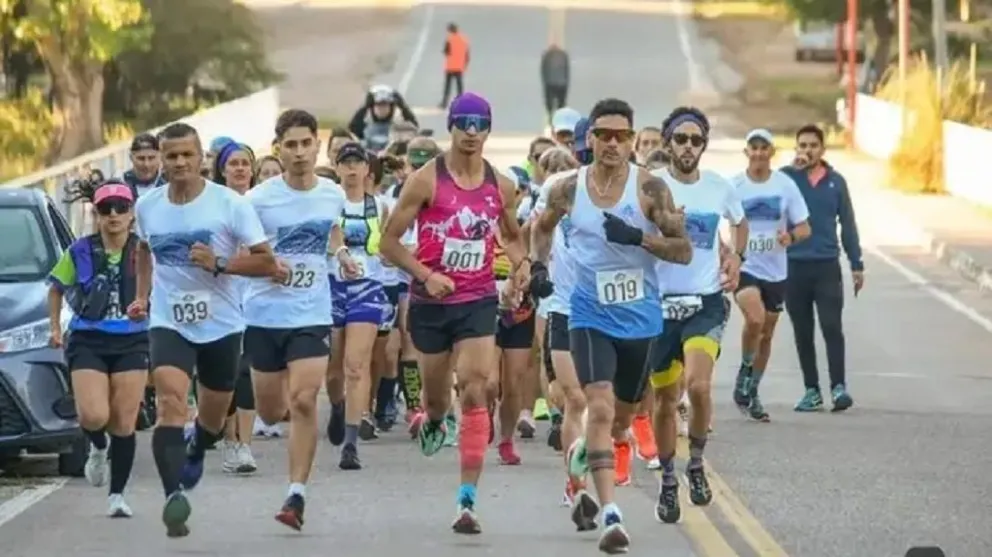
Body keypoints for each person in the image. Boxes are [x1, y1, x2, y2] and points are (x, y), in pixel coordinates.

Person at [530, 98, 692, 553]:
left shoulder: (651, 190)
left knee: (621, 421)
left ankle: (593, 452)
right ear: (590, 139)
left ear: (632, 139)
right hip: (587, 313)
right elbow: (540, 229)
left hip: (640, 318)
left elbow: (683, 250)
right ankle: (610, 515)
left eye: (622, 136)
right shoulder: (567, 188)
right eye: (604, 135)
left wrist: (639, 236)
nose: (613, 144)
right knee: (596, 409)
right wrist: (538, 267)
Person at [380, 92, 530, 534]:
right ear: (451, 126)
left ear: (488, 130)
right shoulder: (426, 181)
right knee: (438, 399)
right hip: (431, 304)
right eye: (462, 122)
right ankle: (434, 418)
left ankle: (467, 501)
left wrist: (521, 266)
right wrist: (425, 275)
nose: (470, 131)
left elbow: (513, 235)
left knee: (475, 389)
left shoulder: (501, 185)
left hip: (478, 299)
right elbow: (387, 243)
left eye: (478, 124)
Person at [129, 122, 277, 538]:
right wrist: (142, 295)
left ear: (201, 159)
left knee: (211, 419)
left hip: (222, 324)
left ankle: (200, 444)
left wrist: (220, 263)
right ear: (161, 158)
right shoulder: (148, 206)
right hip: (168, 320)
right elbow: (143, 249)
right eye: (170, 155)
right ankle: (173, 494)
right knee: (170, 403)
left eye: (186, 155)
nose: (178, 163)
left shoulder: (229, 205)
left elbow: (267, 263)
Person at [243, 109, 350, 529]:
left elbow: (332, 229)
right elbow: (242, 252)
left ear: (317, 146)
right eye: (292, 145)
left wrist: (340, 254)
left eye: (307, 143)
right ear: (278, 149)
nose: (301, 152)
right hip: (265, 315)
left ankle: (296, 495)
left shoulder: (332, 193)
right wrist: (267, 265)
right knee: (270, 412)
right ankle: (279, 424)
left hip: (311, 313)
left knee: (305, 399)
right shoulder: (258, 200)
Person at [648, 106, 745, 524]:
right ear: (668, 142)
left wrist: (736, 256)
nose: (689, 147)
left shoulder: (719, 187)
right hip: (657, 306)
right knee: (666, 399)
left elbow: (739, 223)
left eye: (697, 140)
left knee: (699, 386)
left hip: (704, 301)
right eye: (681, 139)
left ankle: (697, 462)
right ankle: (669, 478)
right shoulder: (649, 187)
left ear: (704, 145)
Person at [48, 181, 148, 518]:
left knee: (123, 420)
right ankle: (97, 445)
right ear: (97, 214)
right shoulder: (79, 250)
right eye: (107, 209)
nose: (114, 214)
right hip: (89, 338)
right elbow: (56, 288)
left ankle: (117, 495)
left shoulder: (144, 251)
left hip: (133, 339)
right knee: (94, 415)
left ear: (132, 213)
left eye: (121, 207)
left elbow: (163, 290)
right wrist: (54, 327)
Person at [730, 129, 811, 422]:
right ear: (746, 152)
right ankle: (744, 371)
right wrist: (726, 255)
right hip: (746, 265)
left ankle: (752, 390)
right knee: (755, 318)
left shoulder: (785, 186)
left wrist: (790, 236)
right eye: (754, 147)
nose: (759, 153)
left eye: (765, 148)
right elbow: (715, 220)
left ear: (772, 153)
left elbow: (805, 228)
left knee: (766, 334)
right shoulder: (735, 186)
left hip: (776, 271)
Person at [781, 124, 863, 412]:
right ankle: (811, 390)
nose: (807, 150)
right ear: (796, 149)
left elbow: (848, 224)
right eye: (802, 145)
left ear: (823, 149)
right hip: (794, 266)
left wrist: (856, 263)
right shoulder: (786, 179)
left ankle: (838, 387)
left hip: (827, 265)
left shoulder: (836, 182)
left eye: (813, 145)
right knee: (802, 330)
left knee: (831, 326)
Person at [324, 141, 390, 469]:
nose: (351, 170)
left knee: (355, 365)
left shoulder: (380, 206)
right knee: (334, 369)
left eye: (357, 164)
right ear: (337, 169)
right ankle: (337, 406)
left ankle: (350, 444)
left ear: (367, 169)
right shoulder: (325, 202)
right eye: (345, 163)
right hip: (331, 287)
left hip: (368, 288)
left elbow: (392, 245)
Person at [211, 141, 261, 474]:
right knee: (225, 372)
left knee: (249, 371)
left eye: (245, 163)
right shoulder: (213, 204)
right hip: (221, 295)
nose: (240, 169)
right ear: (223, 170)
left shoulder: (262, 203)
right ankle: (229, 437)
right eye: (234, 164)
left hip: (258, 296)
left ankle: (244, 446)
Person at [348, 84, 419, 149]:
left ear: (391, 108)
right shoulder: (364, 129)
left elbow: (414, 127)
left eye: (385, 105)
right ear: (372, 107)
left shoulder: (400, 129)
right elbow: (352, 128)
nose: (382, 109)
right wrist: (364, 107)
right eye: (378, 105)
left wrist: (402, 106)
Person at [439, 23, 469, 108]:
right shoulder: (464, 39)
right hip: (459, 66)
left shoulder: (449, 39)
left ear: (450, 30)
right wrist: (465, 64)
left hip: (450, 66)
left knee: (448, 86)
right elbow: (467, 54)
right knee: (459, 86)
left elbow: (446, 51)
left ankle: (444, 103)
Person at [540, 42, 570, 123]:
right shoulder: (564, 55)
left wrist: (545, 82)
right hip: (562, 83)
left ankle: (551, 117)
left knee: (550, 102)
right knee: (561, 103)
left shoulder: (546, 55)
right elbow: (567, 70)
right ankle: (560, 119)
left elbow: (543, 70)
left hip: (550, 83)